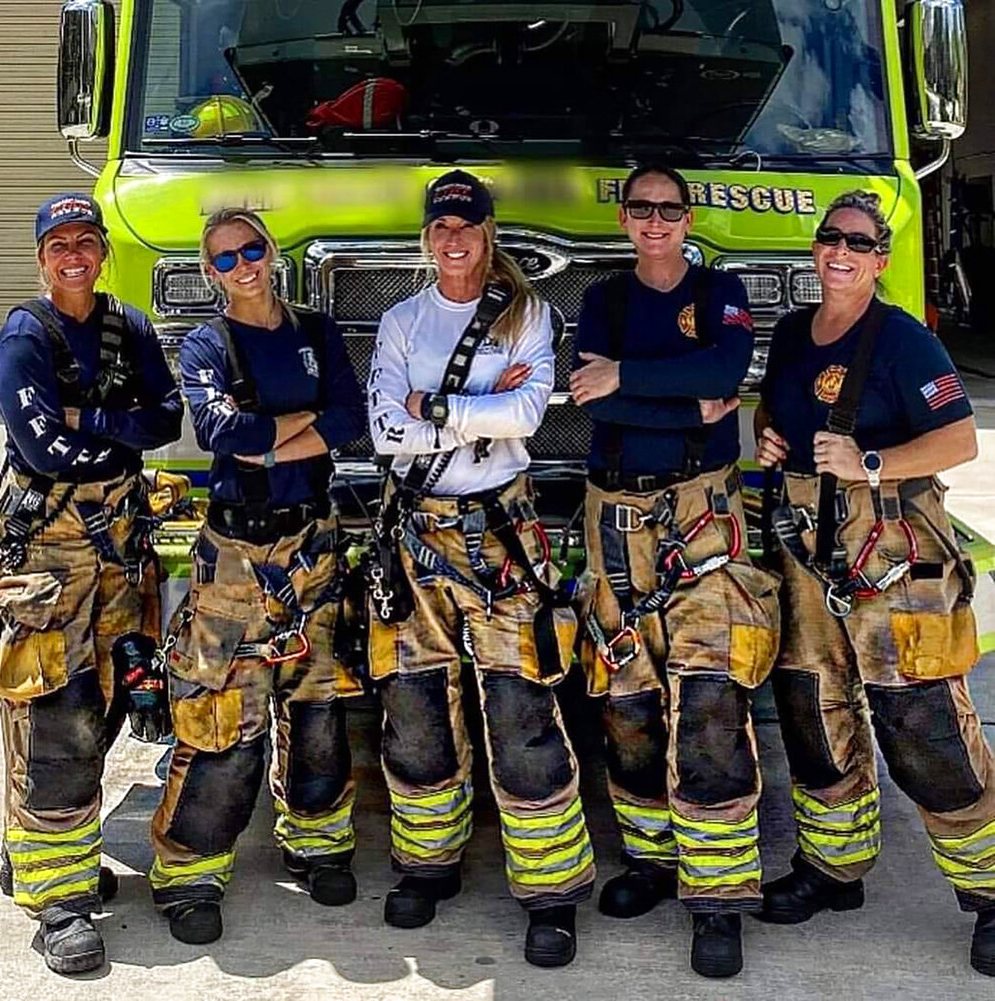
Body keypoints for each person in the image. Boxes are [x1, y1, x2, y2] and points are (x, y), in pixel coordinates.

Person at [755, 189, 995, 976]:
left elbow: (959, 438)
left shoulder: (904, 340)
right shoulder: (794, 333)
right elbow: (779, 413)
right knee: (811, 706)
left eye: (858, 242)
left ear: (880, 259)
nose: (841, 252)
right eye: (830, 239)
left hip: (887, 542)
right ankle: (833, 868)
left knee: (919, 717)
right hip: (805, 544)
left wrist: (869, 462)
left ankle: (990, 890)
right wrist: (770, 438)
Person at [366, 169, 593, 968]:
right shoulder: (401, 318)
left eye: (466, 225)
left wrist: (434, 408)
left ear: (487, 232)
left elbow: (528, 414)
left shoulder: (529, 314)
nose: (452, 239)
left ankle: (551, 891)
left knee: (521, 706)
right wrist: (470, 413)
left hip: (502, 534)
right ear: (426, 239)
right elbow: (385, 431)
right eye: (440, 228)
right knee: (416, 705)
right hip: (415, 535)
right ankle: (427, 865)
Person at [570, 163, 780, 978]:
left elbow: (724, 375)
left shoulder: (721, 291)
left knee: (711, 697)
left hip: (702, 519)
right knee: (626, 700)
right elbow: (589, 398)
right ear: (625, 220)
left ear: (687, 218)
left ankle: (720, 894)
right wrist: (675, 400)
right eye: (641, 209)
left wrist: (628, 376)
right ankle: (652, 861)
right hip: (612, 521)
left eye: (669, 208)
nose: (655, 221)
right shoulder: (602, 300)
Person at [147, 209, 365, 945]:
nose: (242, 265)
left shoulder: (315, 332)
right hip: (234, 558)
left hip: (312, 543)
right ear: (210, 272)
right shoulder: (209, 343)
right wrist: (296, 432)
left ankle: (317, 843)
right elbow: (219, 434)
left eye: (251, 249)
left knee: (316, 704)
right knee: (221, 720)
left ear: (270, 253)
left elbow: (350, 415)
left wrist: (271, 449)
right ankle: (190, 872)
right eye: (224, 258)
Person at [0, 193, 182, 974]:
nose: (74, 255)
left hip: (119, 552)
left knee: (107, 703)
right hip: (46, 556)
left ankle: (33, 850)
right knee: (52, 716)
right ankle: (59, 901)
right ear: (41, 258)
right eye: (58, 244)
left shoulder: (126, 326)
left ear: (102, 251)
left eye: (85, 242)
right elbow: (40, 444)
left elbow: (164, 420)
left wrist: (91, 424)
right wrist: (116, 433)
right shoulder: (25, 333)